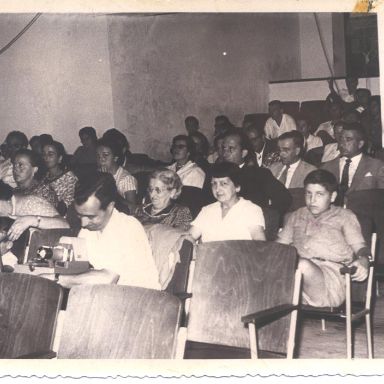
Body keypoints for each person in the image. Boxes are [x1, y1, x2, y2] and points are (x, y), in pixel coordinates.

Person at [277, 169, 369, 307]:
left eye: (319, 194)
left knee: (302, 265)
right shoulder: (296, 215)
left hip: (330, 280)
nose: (312, 200)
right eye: (308, 193)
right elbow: (278, 247)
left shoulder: (344, 216)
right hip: (295, 276)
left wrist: (364, 261)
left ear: (332, 197)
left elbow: (361, 248)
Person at [59, 172, 160, 289]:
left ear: (110, 206)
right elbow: (71, 266)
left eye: (91, 217)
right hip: (109, 296)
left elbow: (108, 278)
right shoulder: (88, 230)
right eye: (80, 216)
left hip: (142, 299)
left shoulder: (127, 227)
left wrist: (58, 278)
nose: (83, 223)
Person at [221, 129, 292, 216]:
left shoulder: (260, 175)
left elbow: (284, 199)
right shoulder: (214, 174)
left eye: (231, 149)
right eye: (224, 148)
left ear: (243, 153)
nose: (225, 153)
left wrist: (267, 217)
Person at [189, 162, 265, 243]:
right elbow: (190, 236)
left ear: (237, 187)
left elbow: (260, 245)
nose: (217, 189)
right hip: (208, 255)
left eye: (224, 183)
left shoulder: (251, 210)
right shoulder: (207, 210)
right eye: (214, 183)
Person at [96, 137, 137, 213]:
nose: (101, 159)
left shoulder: (126, 179)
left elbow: (132, 209)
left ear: (115, 158)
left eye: (105, 155)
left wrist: (108, 186)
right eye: (98, 156)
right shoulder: (96, 174)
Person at [42, 140, 78, 214]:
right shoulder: (44, 178)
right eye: (44, 154)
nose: (46, 157)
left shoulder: (69, 177)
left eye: (50, 154)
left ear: (60, 158)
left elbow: (66, 205)